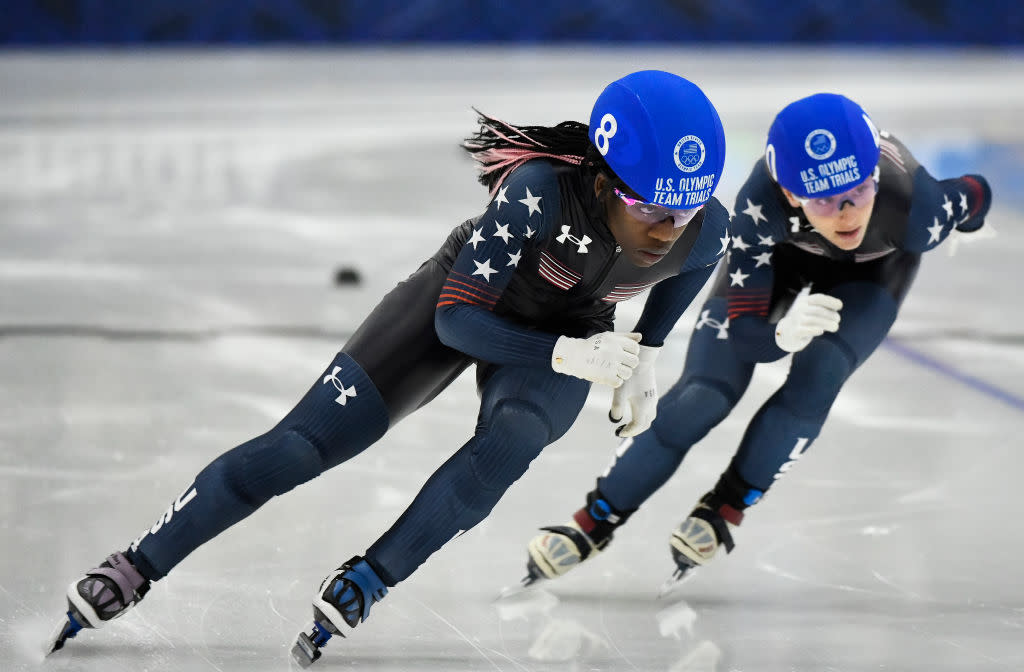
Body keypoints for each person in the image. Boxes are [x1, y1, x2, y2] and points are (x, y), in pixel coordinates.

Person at [47, 69, 732, 667]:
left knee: (516, 438)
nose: (668, 230)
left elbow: (690, 266)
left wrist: (647, 350)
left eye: (686, 208)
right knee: (299, 447)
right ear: (603, 179)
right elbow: (456, 321)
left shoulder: (706, 229)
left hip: (569, 329)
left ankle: (371, 578)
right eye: (650, 207)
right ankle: (138, 563)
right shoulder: (540, 192)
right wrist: (567, 353)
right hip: (466, 301)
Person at [522, 93, 992, 590]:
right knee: (703, 395)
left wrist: (969, 220)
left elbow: (976, 191)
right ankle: (597, 517)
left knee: (821, 372)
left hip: (872, 275)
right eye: (825, 201)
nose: (848, 215)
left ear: (876, 176)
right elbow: (746, 338)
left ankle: (726, 506)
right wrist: (782, 334)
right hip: (780, 261)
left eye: (859, 191)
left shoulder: (917, 210)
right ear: (789, 195)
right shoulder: (757, 206)